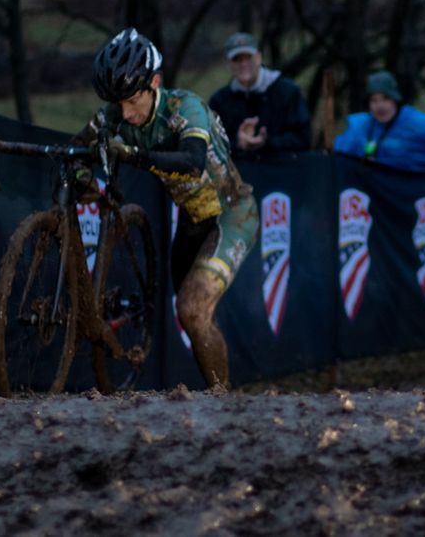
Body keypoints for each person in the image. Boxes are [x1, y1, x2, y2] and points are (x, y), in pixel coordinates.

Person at [77, 28, 259, 389]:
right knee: (193, 315)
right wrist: (83, 175)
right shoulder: (116, 114)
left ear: (154, 83)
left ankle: (221, 406)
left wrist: (133, 154)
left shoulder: (184, 107)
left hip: (232, 215)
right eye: (119, 104)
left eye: (132, 100)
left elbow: (191, 161)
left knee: (192, 309)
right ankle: (216, 394)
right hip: (192, 223)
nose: (126, 113)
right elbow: (78, 147)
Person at [334, 70, 425, 171]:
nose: (379, 106)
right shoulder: (360, 126)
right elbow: (340, 153)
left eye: (385, 99)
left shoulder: (411, 122)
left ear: (395, 100)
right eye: (374, 100)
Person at [208, 32, 311, 159]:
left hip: (283, 172)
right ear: (229, 64)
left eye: (248, 57)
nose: (243, 64)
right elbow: (212, 145)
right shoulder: (219, 101)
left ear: (258, 58)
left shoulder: (288, 92)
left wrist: (267, 142)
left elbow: (303, 138)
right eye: (237, 59)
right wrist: (238, 143)